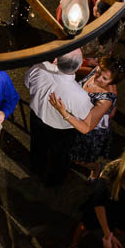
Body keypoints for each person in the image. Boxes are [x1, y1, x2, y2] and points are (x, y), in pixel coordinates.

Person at [49, 55, 124, 182]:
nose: (98, 78)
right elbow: (88, 71)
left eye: (104, 78)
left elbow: (87, 127)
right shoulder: (97, 71)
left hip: (90, 131)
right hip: (76, 119)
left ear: (112, 82)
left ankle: (95, 167)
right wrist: (62, 68)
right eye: (99, 71)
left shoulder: (106, 99)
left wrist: (63, 112)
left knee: (78, 158)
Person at [25, 49, 92, 185]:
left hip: (36, 118)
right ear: (80, 66)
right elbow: (86, 122)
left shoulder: (39, 67)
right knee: (60, 157)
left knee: (38, 146)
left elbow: (27, 83)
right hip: (60, 130)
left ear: (56, 60)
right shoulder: (80, 96)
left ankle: (36, 169)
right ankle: (54, 181)